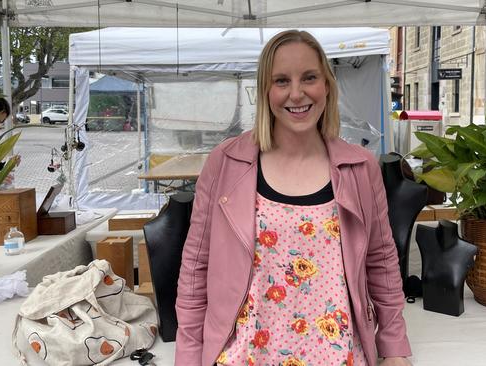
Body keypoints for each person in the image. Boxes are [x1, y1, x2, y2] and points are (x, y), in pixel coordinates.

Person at [175, 30, 411, 366]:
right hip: (244, 356)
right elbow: (196, 269)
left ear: (327, 85)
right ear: (265, 91)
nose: (296, 94)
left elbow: (382, 262)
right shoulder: (226, 163)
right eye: (281, 80)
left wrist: (395, 347)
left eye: (309, 78)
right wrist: (188, 357)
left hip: (339, 356)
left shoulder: (360, 168)